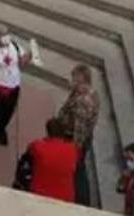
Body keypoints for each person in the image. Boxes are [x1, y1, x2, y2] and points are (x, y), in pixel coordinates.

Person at [58, 63, 101, 205]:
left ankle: (82, 200)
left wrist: (73, 149)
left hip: (75, 139)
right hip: (80, 137)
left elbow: (79, 129)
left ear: (82, 81)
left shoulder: (84, 101)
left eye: (74, 78)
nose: (71, 81)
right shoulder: (88, 92)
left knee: (78, 169)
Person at [0, 23, 31, 147]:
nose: (6, 37)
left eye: (7, 34)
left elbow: (22, 65)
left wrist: (28, 58)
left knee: (9, 110)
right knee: (0, 110)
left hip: (13, 84)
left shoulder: (15, 46)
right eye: (3, 35)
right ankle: (1, 132)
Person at [13, 117, 81, 204]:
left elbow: (28, 154)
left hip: (40, 193)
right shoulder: (73, 149)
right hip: (65, 198)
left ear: (48, 131)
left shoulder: (37, 146)